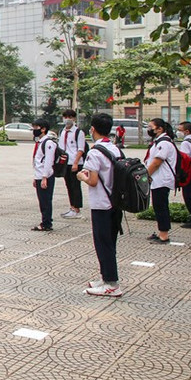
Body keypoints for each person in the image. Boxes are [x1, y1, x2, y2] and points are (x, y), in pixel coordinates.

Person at [77, 113, 123, 297]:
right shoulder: (115, 148)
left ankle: (112, 284)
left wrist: (81, 176)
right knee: (109, 243)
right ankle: (106, 277)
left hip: (101, 204)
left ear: (93, 129)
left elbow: (93, 180)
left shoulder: (95, 152)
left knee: (103, 244)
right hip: (115, 202)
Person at [145, 118, 178, 244]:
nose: (149, 129)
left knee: (161, 207)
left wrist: (145, 176)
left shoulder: (164, 143)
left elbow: (157, 162)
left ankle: (164, 235)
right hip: (157, 180)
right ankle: (161, 232)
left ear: (159, 129)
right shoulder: (159, 141)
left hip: (162, 180)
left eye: (151, 127)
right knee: (159, 206)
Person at [58, 109, 86, 219]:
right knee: (69, 185)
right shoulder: (62, 131)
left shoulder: (78, 132)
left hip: (75, 163)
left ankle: (77, 209)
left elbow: (81, 149)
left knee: (75, 186)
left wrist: (75, 163)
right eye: (65, 117)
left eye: (70, 117)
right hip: (66, 163)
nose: (67, 119)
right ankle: (72, 207)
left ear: (74, 118)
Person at [31, 118, 57, 232]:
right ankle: (45, 221)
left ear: (43, 129)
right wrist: (36, 177)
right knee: (42, 201)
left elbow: (48, 162)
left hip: (45, 176)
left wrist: (44, 177)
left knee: (46, 201)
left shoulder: (48, 143)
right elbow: (38, 161)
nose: (34, 130)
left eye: (36, 127)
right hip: (40, 175)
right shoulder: (40, 142)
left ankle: (47, 223)